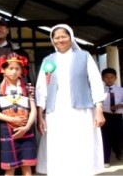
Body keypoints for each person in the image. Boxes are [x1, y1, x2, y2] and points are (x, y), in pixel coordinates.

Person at [35, 24, 106, 176]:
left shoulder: (84, 56)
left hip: (81, 110)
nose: (60, 40)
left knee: (80, 144)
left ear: (71, 37)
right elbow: (42, 87)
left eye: (63, 36)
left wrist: (99, 109)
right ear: (52, 40)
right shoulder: (48, 60)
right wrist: (40, 115)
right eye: (56, 37)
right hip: (56, 112)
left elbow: (95, 81)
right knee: (59, 146)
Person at [0, 53, 37, 176]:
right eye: (10, 68)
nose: (14, 71)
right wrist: (12, 119)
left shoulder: (27, 88)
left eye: (17, 68)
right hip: (7, 129)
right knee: (9, 168)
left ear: (22, 71)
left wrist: (26, 127)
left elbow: (33, 110)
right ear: (3, 70)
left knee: (27, 167)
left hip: (26, 129)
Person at [0, 16, 35, 86]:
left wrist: (29, 87)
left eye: (2, 27)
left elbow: (26, 73)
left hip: (14, 92)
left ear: (7, 31)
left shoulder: (19, 51)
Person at [101, 67, 123, 168]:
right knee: (105, 138)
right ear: (102, 78)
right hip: (105, 116)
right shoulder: (100, 91)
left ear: (115, 78)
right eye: (106, 77)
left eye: (111, 77)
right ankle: (106, 159)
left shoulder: (120, 90)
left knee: (118, 137)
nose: (109, 79)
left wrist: (119, 105)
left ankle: (118, 151)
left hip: (117, 117)